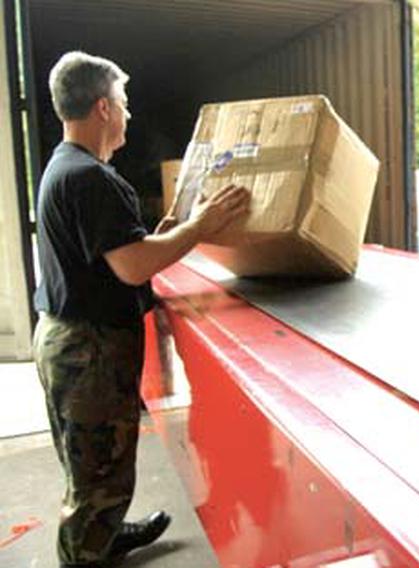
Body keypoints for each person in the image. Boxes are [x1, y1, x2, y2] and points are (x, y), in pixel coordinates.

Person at [32, 51, 250, 568]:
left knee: (91, 465)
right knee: (97, 470)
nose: (129, 115)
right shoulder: (90, 178)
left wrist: (171, 228)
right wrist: (199, 227)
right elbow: (131, 267)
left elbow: (111, 256)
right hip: (88, 353)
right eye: (124, 104)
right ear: (103, 108)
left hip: (69, 339)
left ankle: (104, 533)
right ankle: (86, 553)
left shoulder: (70, 169)